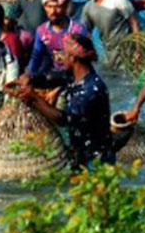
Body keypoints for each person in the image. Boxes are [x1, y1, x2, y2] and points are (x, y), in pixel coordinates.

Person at [12, 34, 115, 169]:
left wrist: (34, 98)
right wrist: (29, 80)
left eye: (64, 54)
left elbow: (64, 119)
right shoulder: (74, 77)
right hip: (79, 154)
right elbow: (50, 79)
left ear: (73, 58)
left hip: (96, 160)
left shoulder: (91, 89)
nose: (60, 58)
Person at [79, 0, 138, 68]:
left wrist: (138, 49)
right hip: (107, 54)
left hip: (126, 52)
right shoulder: (88, 7)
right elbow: (84, 32)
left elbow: (134, 22)